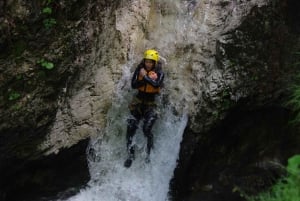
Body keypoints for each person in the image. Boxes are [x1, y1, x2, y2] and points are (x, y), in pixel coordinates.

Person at [124, 49, 164, 168]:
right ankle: (130, 156)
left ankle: (149, 153)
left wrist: (145, 77)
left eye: (151, 62)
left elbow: (156, 85)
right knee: (130, 129)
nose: (148, 64)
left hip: (151, 105)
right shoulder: (139, 69)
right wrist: (145, 79)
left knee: (146, 129)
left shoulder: (160, 73)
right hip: (138, 102)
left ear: (155, 63)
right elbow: (133, 85)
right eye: (147, 61)